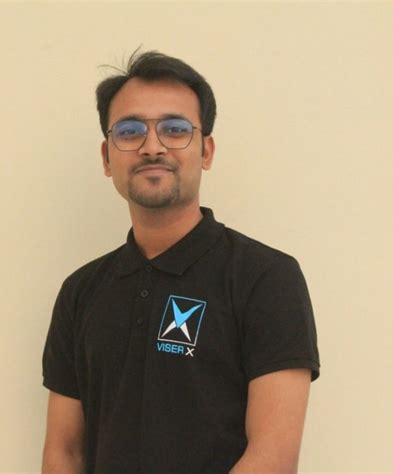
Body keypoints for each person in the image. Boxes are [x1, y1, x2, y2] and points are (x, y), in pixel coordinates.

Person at [41, 50, 320, 474]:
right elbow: (65, 452)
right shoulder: (81, 292)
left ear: (206, 150)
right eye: (130, 131)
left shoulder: (265, 277)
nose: (152, 147)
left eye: (175, 129)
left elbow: (273, 457)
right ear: (107, 157)